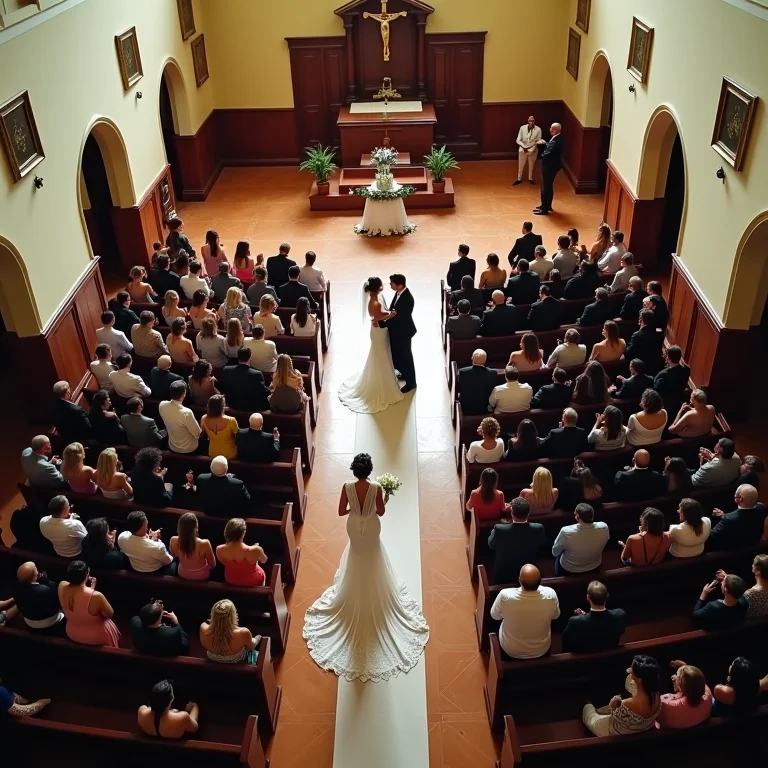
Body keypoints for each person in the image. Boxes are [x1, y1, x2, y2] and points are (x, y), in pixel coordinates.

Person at [303, 452, 429, 680]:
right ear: (369, 470)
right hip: (371, 527)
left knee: (356, 553)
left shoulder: (346, 487)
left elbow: (341, 511)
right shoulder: (377, 488)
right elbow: (380, 512)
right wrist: (380, 502)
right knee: (373, 554)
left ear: (354, 470)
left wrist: (355, 510)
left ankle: (353, 589)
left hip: (354, 526)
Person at [490, 564, 560, 657]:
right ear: (540, 581)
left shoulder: (505, 595)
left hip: (510, 650)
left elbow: (495, 616)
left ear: (519, 580)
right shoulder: (551, 594)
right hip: (541, 650)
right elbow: (556, 616)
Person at [583, 655, 661, 735]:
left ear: (639, 679)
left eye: (632, 670)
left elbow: (613, 708)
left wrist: (614, 702)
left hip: (615, 732)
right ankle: (597, 710)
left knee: (589, 714)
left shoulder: (627, 704)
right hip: (642, 728)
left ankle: (587, 704)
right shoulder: (657, 696)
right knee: (601, 710)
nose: (629, 671)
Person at [58, 560, 121, 646]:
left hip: (72, 632)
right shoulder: (97, 596)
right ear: (87, 575)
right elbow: (109, 614)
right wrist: (91, 591)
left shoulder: (61, 585)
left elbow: (78, 601)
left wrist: (91, 589)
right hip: (95, 636)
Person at [487, 499, 547, 584]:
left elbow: (491, 545)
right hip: (528, 572)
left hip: (503, 574)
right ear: (528, 513)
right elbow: (542, 543)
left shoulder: (499, 529)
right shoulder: (538, 528)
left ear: (511, 513)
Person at [561, 581, 627, 652]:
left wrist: (582, 618)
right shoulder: (620, 615)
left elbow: (565, 642)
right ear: (607, 596)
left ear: (588, 598)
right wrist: (583, 617)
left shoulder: (574, 622)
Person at [200, 598, 262, 664]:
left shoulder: (203, 628)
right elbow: (251, 647)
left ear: (213, 614)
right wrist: (257, 638)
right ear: (233, 615)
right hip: (238, 663)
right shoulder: (243, 632)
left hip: (212, 662)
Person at [552, 504, 609, 575]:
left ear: (577, 517)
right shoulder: (604, 527)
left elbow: (555, 552)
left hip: (569, 570)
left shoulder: (566, 531)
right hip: (594, 566)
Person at [708, 484, 767, 550]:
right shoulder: (763, 509)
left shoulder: (728, 520)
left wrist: (705, 522)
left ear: (740, 498)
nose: (734, 495)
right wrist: (724, 515)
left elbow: (710, 538)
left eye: (736, 493)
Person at [656, 662, 713, 729]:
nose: (673, 677)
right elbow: (698, 682)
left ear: (681, 684)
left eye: (676, 675)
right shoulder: (708, 696)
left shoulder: (665, 705)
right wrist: (685, 667)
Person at [13, 561, 65, 630]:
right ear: (35, 576)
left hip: (29, 621)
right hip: (49, 621)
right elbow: (58, 604)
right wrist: (48, 582)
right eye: (36, 569)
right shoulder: (46, 591)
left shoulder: (15, 590)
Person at [159, 380, 202, 454]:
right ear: (183, 394)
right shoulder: (187, 412)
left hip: (172, 446)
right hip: (189, 448)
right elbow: (197, 434)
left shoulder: (162, 405)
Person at [170, 512, 216, 581]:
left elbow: (173, 556)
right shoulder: (205, 543)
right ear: (196, 527)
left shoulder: (173, 540)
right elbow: (213, 565)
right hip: (201, 575)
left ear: (179, 527)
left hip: (182, 573)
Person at [222, 347, 270, 411]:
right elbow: (263, 392)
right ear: (250, 358)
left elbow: (224, 388)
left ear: (238, 357)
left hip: (233, 405)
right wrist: (270, 388)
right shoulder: (257, 374)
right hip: (251, 407)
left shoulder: (227, 370)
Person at [533, 122, 563, 215]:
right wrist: (545, 143)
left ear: (555, 130)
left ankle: (544, 209)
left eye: (552, 128)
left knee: (546, 187)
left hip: (549, 167)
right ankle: (546, 205)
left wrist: (541, 148)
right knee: (548, 186)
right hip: (552, 166)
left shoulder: (556, 141)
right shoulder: (558, 138)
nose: (550, 129)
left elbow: (546, 154)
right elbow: (550, 147)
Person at [458, 349, 499, 415]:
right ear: (485, 360)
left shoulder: (462, 372)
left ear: (472, 358)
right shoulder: (493, 373)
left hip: (466, 409)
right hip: (484, 409)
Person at [652, 344, 690, 413]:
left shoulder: (663, 375)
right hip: (678, 405)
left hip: (664, 407)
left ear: (668, 358)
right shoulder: (686, 371)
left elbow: (655, 390)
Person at [625, 309, 663, 374]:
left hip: (641, 369)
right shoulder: (659, 333)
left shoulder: (637, 335)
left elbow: (628, 353)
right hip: (656, 367)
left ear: (640, 320)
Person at [200, 394, 238, 459]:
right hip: (229, 454)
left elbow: (203, 432)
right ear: (222, 407)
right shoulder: (231, 420)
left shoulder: (204, 418)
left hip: (213, 453)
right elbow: (238, 437)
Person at [514, 115, 541, 184]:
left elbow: (538, 141)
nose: (531, 122)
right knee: (521, 164)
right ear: (528, 121)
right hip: (523, 148)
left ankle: (530, 178)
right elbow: (518, 139)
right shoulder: (522, 128)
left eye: (533, 121)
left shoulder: (538, 129)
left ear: (534, 121)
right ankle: (519, 178)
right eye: (530, 120)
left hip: (533, 149)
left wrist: (530, 149)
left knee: (531, 165)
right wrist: (524, 147)